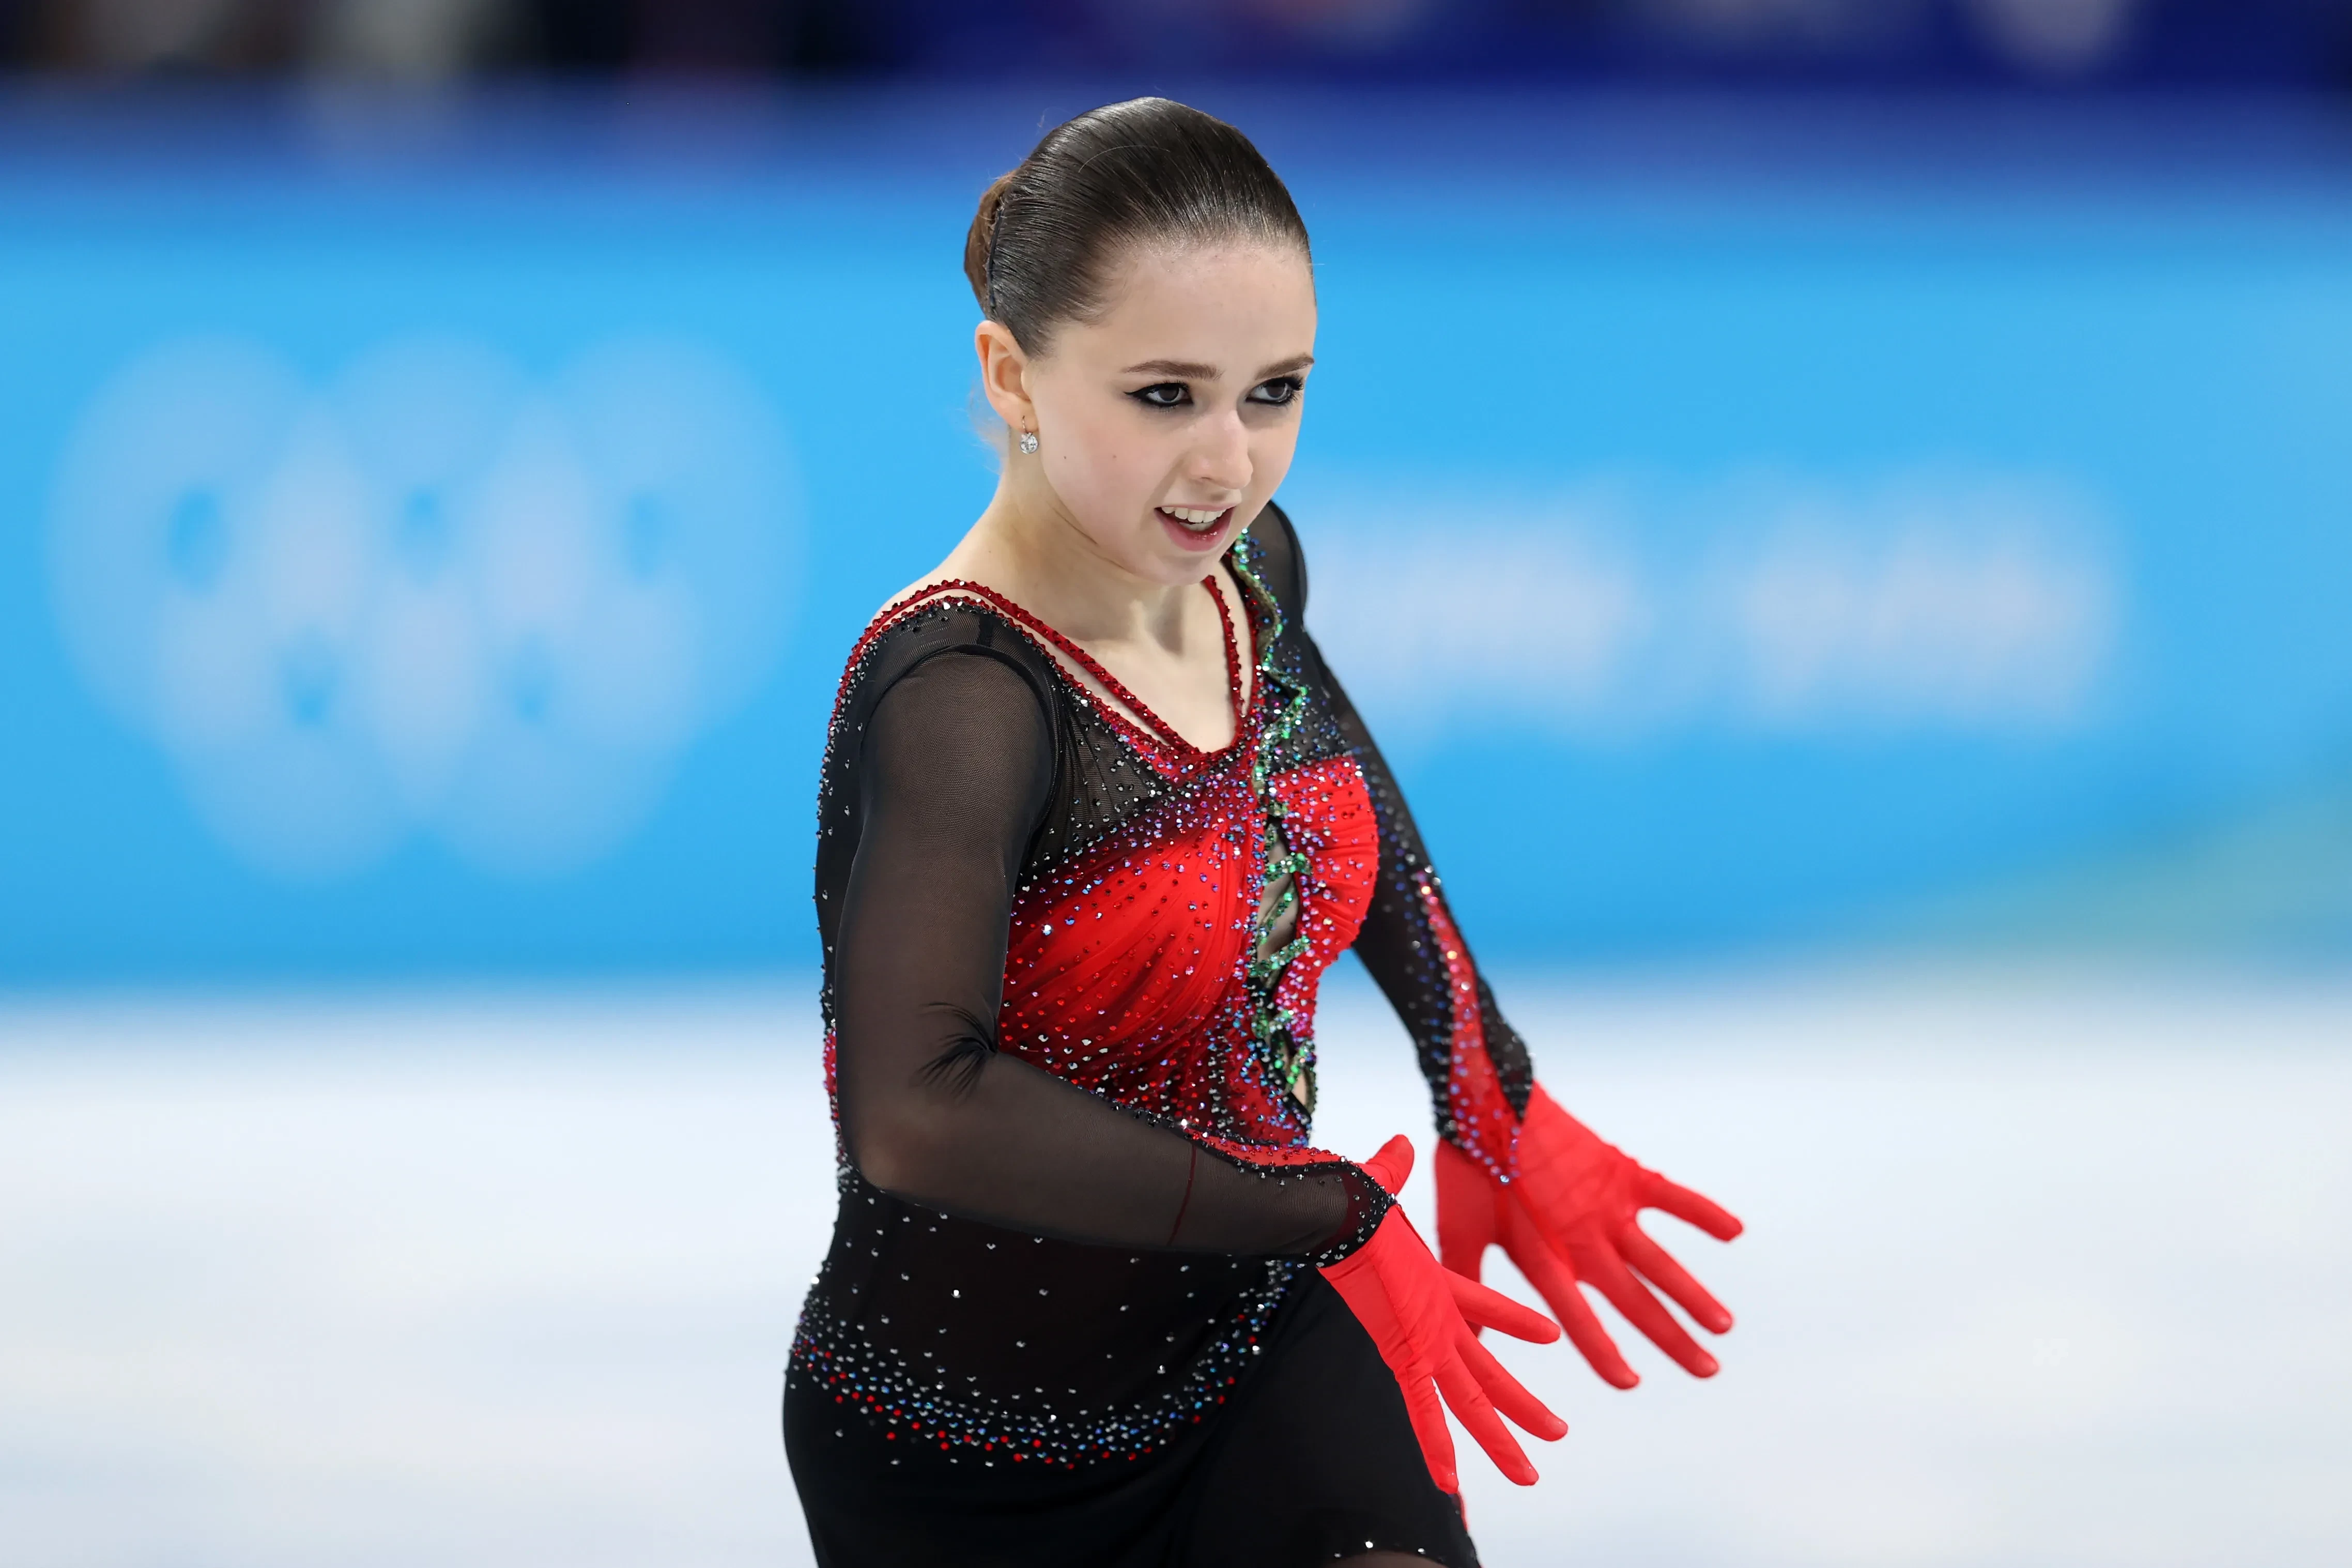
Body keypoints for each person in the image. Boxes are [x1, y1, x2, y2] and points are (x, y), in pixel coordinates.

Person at [783, 97, 1744, 1567]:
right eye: (1166, 395)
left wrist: (1486, 1090)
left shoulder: (1244, 577)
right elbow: (917, 1114)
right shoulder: (966, 692)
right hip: (968, 1448)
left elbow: (1337, 788)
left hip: (1256, 1344)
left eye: (1273, 392)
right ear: (1013, 373)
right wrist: (1329, 1210)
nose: (1228, 465)